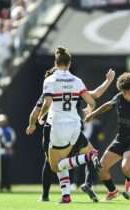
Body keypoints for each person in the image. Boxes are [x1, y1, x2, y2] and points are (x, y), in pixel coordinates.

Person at [26, 67, 115, 202]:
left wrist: (32, 124)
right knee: (69, 161)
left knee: (53, 164)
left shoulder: (50, 90)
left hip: (54, 129)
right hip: (74, 128)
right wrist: (108, 81)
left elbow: (36, 111)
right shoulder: (74, 87)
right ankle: (69, 193)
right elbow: (95, 94)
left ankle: (46, 195)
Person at [36, 47, 99, 203]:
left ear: (56, 63)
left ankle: (88, 157)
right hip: (75, 126)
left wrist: (41, 115)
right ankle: (66, 195)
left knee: (55, 166)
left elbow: (48, 101)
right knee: (62, 162)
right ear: (69, 63)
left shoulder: (50, 80)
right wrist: (88, 111)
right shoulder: (77, 81)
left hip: (58, 126)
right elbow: (92, 101)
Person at [85, 72, 130, 200]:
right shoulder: (119, 97)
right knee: (101, 168)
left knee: (126, 166)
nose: (126, 95)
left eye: (128, 92)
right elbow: (107, 105)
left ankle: (129, 187)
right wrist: (92, 115)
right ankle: (112, 191)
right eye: (123, 92)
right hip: (121, 139)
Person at [0, 114, 16, 192]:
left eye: (4, 121)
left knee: (7, 170)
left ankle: (7, 185)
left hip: (7, 153)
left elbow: (13, 138)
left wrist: (8, 146)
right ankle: (0, 186)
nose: (2, 123)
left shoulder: (10, 130)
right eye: (1, 121)